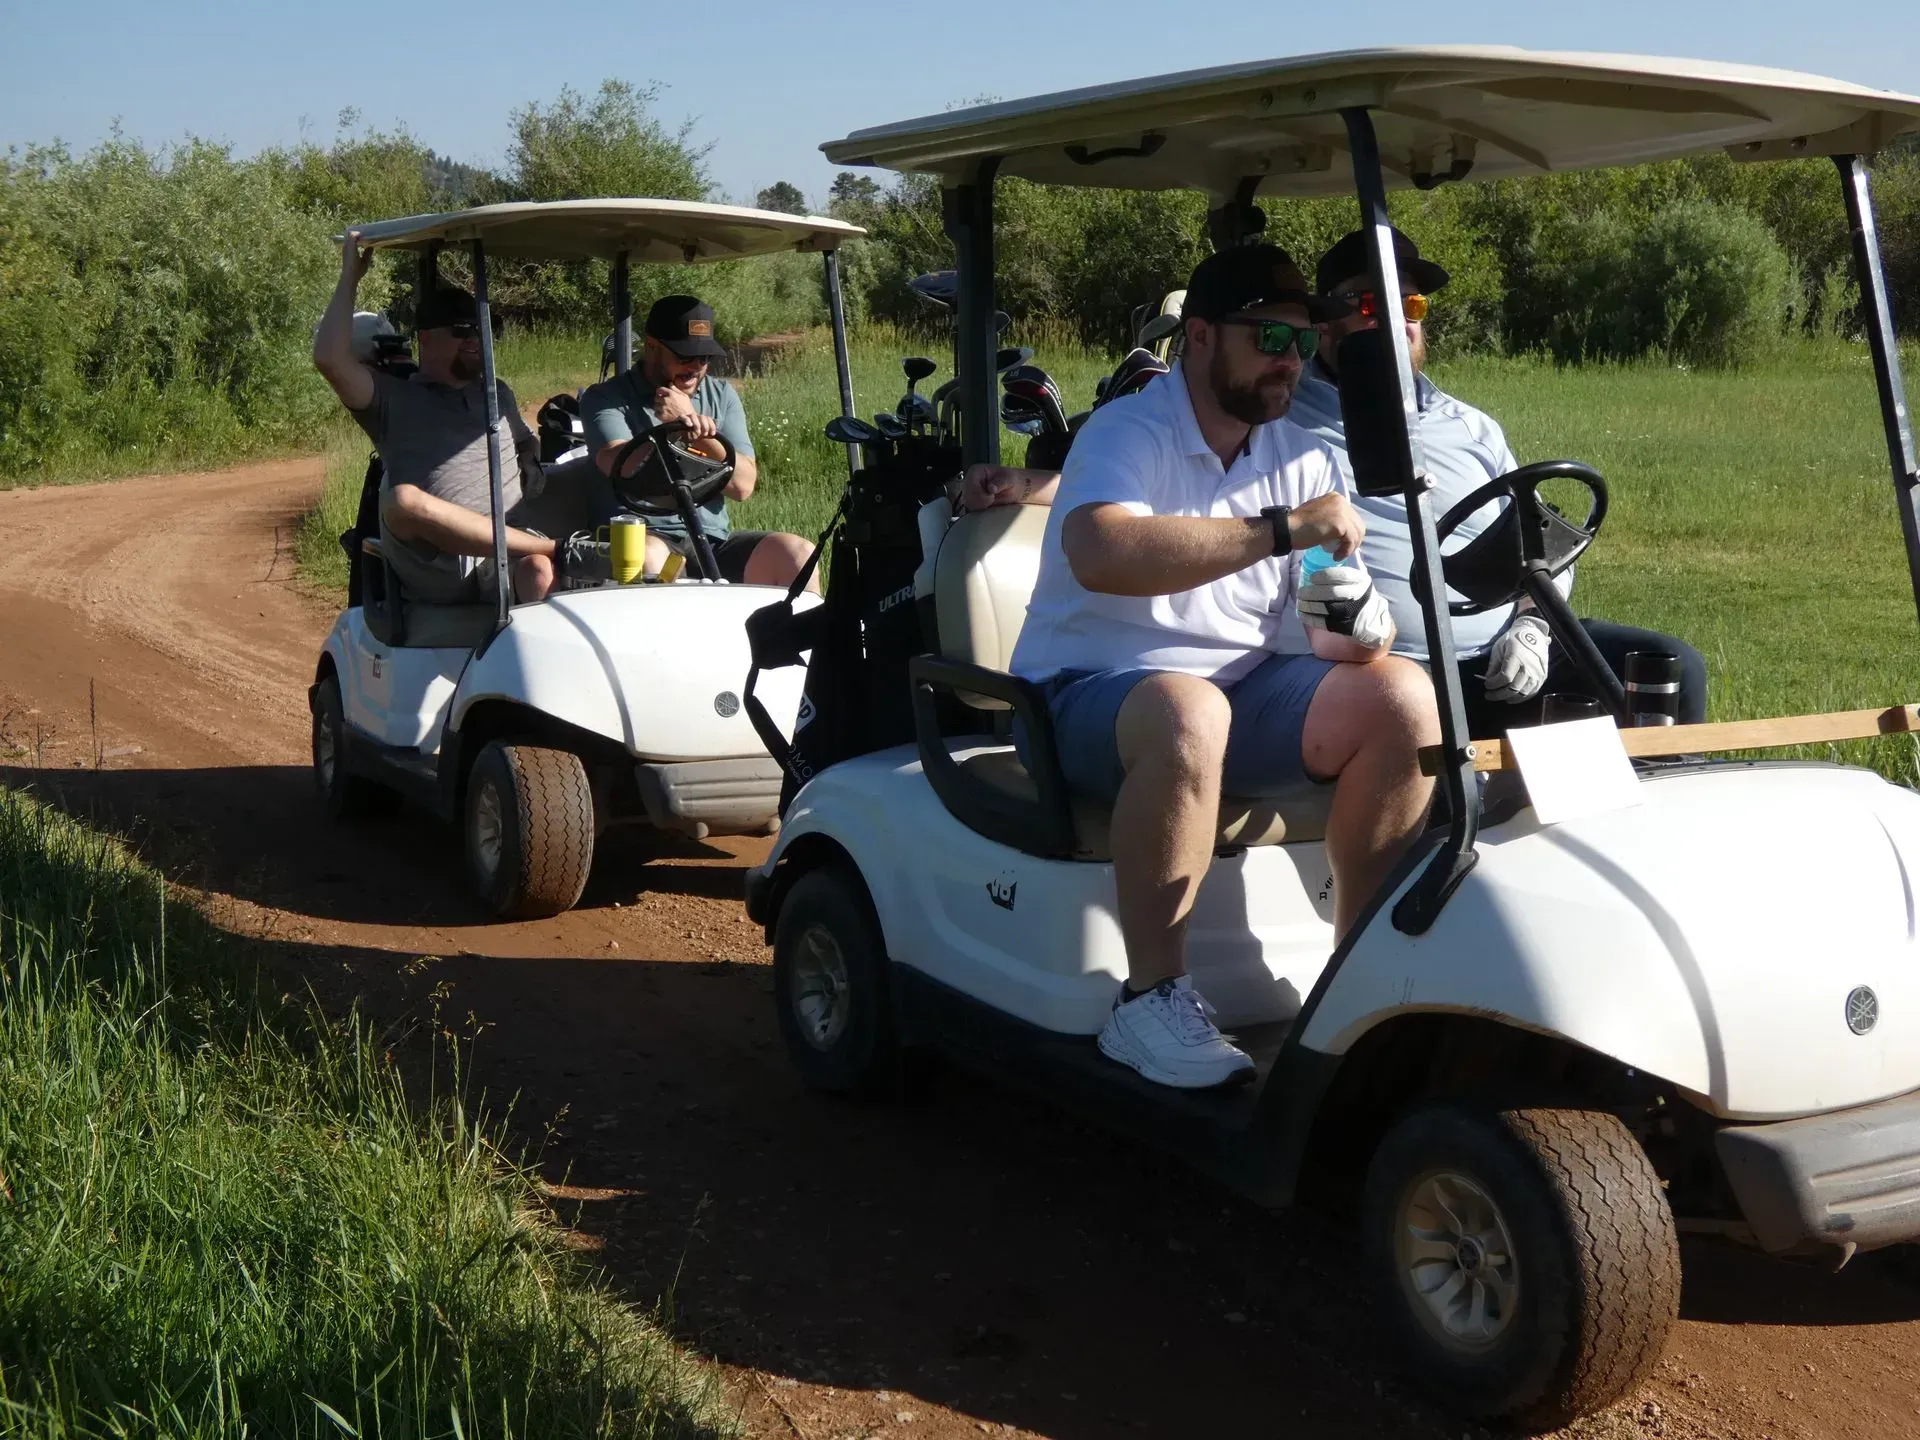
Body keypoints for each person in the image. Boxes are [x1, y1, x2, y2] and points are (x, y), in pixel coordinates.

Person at [970, 245, 1439, 1090]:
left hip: (1239, 694)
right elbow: (1100, 550)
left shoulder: (1301, 452)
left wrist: (1357, 632)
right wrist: (1284, 529)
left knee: (1404, 699)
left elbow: (1319, 613)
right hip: (1082, 699)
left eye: (1302, 341)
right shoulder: (1130, 429)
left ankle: (1356, 985)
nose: (1290, 359)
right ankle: (1149, 999)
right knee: (1189, 711)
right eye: (1268, 336)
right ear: (1198, 337)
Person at [1288, 227, 1708, 736]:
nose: (1401, 322)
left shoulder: (1471, 427)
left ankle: (1657, 798)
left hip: (1501, 659)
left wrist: (1534, 625)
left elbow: (1539, 545)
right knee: (1406, 705)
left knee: (1671, 665)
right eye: (1375, 304)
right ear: (1326, 323)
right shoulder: (1287, 421)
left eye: (1412, 306)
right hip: (1387, 666)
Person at [312, 231, 560, 604]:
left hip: (512, 547)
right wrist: (351, 276)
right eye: (462, 331)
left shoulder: (497, 392)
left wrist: (529, 459)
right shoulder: (393, 398)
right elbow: (329, 359)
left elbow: (525, 440)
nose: (475, 339)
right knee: (403, 499)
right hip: (438, 563)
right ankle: (557, 547)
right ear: (426, 339)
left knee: (541, 570)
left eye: (479, 330)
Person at [581, 296, 816, 588]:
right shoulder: (606, 398)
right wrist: (674, 428)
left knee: (798, 556)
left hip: (711, 539)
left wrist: (700, 432)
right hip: (644, 535)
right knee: (649, 558)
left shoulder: (721, 395)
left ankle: (794, 635)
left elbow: (743, 486)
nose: (696, 366)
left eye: (704, 357)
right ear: (652, 347)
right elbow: (617, 464)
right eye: (684, 356)